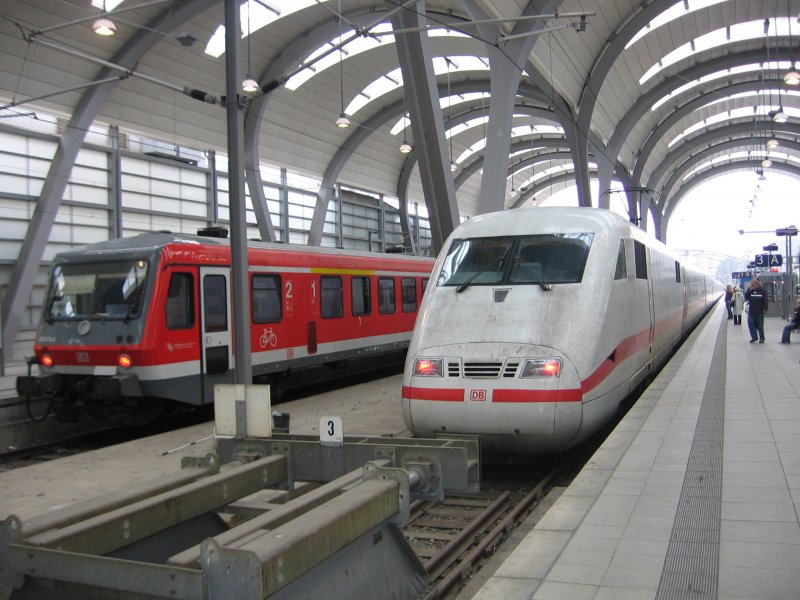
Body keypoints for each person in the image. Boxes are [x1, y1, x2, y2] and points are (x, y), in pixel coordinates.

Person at [744, 278, 768, 343]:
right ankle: (754, 337)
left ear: (757, 284)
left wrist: (765, 308)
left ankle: (762, 338)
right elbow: (746, 297)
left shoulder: (763, 290)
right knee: (750, 323)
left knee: (760, 325)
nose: (751, 286)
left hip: (759, 311)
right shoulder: (750, 290)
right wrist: (750, 291)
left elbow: (765, 300)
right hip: (751, 311)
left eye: (753, 284)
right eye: (751, 284)